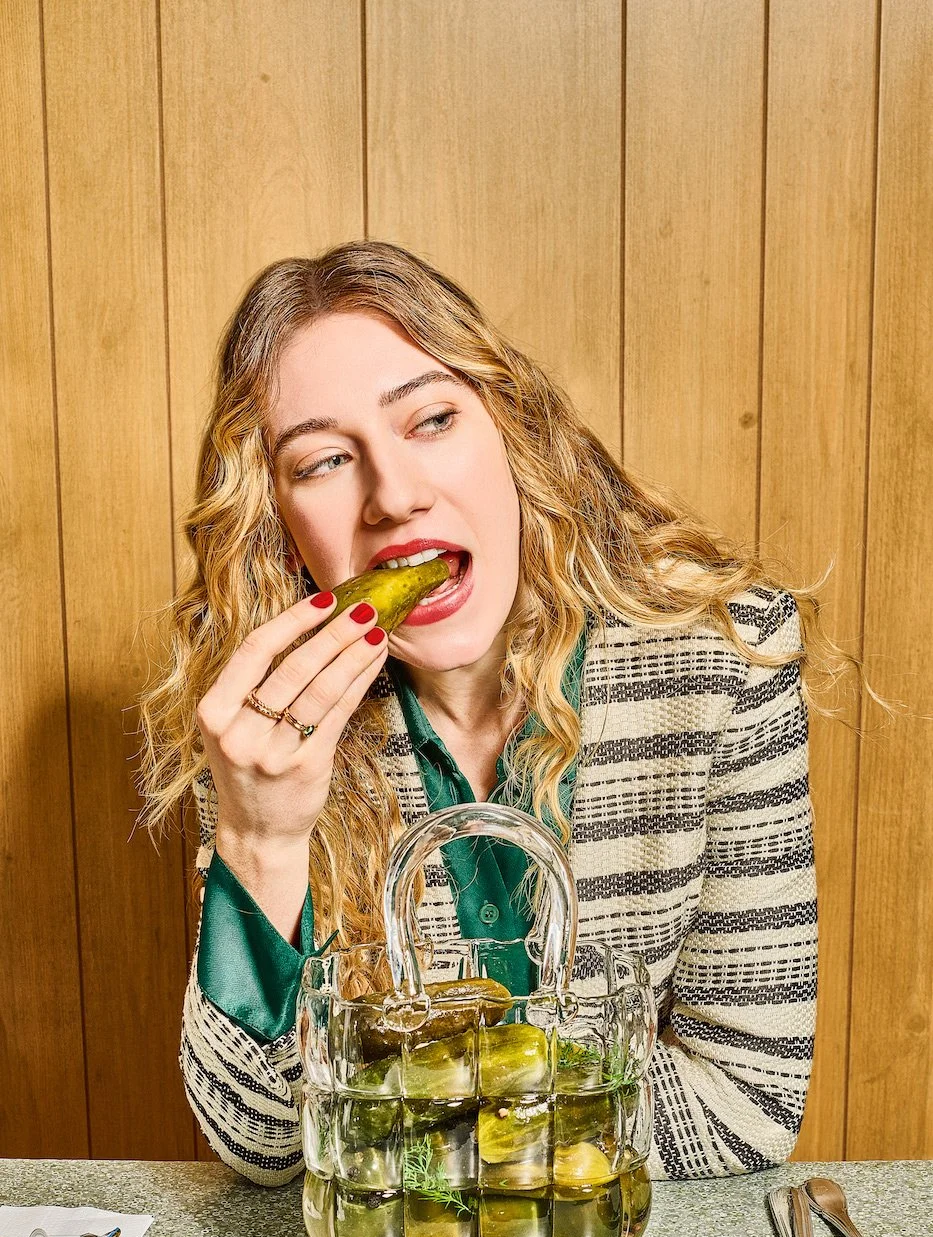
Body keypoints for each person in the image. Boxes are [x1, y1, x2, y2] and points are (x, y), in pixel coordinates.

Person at [137, 239, 853, 1187]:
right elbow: (266, 1145)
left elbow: (743, 1104)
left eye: (431, 419)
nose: (394, 497)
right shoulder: (264, 721)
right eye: (322, 462)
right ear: (277, 521)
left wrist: (387, 1125)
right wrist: (261, 840)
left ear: (509, 430)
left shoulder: (720, 654)